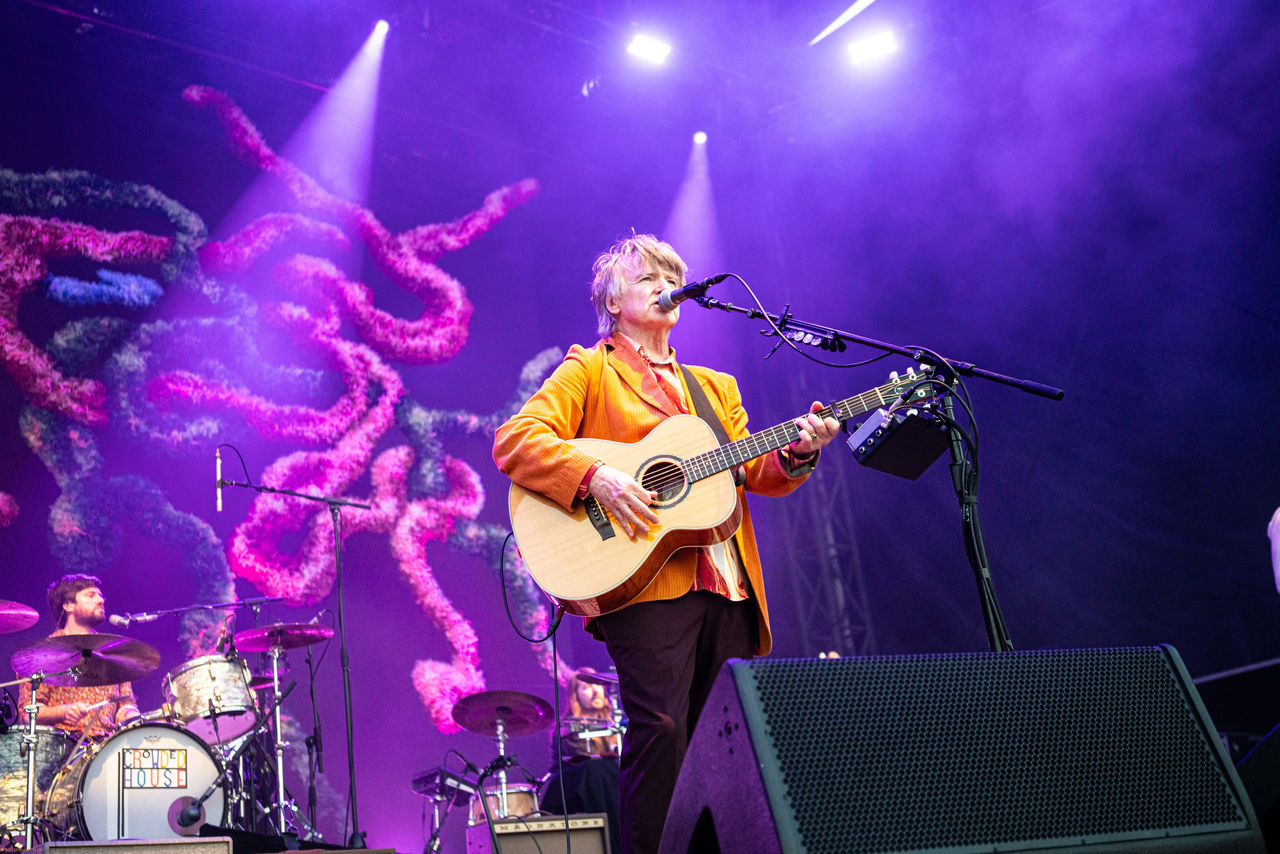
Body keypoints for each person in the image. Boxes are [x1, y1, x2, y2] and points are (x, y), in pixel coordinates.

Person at [494, 234, 840, 853]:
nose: (664, 287)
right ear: (612, 300)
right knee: (662, 733)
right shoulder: (590, 369)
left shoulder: (715, 387)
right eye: (647, 278)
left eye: (671, 278)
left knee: (730, 750)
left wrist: (798, 451)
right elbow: (516, 440)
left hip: (729, 584)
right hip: (645, 583)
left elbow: (753, 473)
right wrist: (595, 476)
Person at [18, 574, 141, 739]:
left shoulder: (112, 653)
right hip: (63, 746)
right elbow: (28, 713)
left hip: (107, 746)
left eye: (100, 595)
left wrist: (133, 716)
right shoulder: (43, 654)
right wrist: (62, 712)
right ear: (68, 605)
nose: (100, 600)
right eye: (91, 595)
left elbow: (125, 705)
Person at [541, 668, 623, 854]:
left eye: (598, 685)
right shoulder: (566, 731)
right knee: (597, 771)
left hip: (612, 793)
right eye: (586, 687)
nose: (595, 691)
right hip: (578, 795)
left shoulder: (615, 726)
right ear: (575, 696)